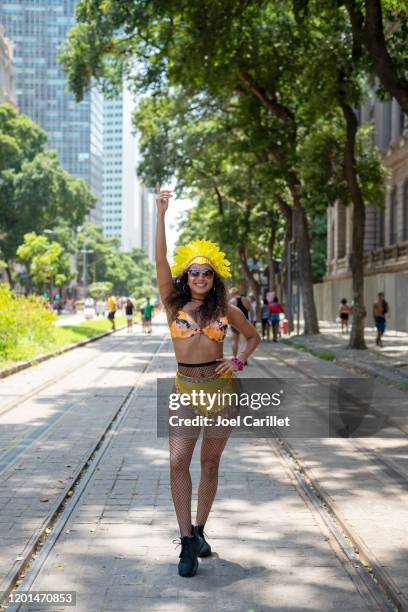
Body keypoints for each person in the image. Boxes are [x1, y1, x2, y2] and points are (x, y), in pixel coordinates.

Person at [155, 185, 260, 578]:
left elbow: (253, 337)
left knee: (210, 464)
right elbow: (161, 260)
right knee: (178, 461)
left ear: (214, 278)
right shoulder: (173, 303)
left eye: (206, 272)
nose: (199, 276)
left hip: (221, 392)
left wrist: (239, 360)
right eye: (194, 271)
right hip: (184, 389)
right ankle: (185, 542)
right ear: (188, 276)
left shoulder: (227, 309)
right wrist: (161, 214)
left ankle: (200, 530)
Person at [229, 287, 254, 360]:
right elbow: (252, 311)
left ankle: (234, 358)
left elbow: (228, 314)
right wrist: (252, 321)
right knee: (244, 342)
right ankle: (243, 359)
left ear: (232, 294)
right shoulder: (246, 300)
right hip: (245, 323)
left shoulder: (231, 301)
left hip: (234, 324)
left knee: (234, 341)